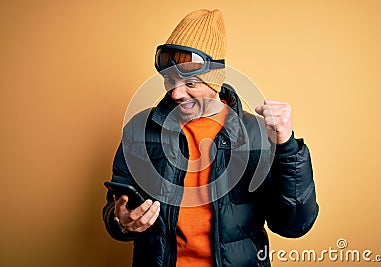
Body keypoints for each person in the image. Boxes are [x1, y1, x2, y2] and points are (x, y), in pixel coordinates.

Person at [103, 9, 318, 267]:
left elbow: (294, 225)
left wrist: (286, 147)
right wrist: (121, 221)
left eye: (190, 83)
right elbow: (114, 210)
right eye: (169, 80)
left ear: (214, 81)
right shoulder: (139, 130)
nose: (176, 93)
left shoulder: (257, 134)